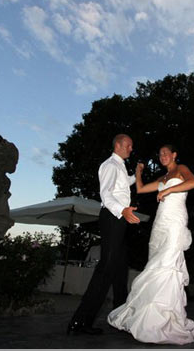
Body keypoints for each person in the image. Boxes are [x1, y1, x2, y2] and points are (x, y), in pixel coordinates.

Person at [107, 144, 194, 345]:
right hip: (160, 223)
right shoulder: (162, 178)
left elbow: (193, 183)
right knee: (154, 265)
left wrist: (169, 191)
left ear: (174, 154)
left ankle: (166, 317)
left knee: (167, 264)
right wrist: (138, 172)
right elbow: (141, 189)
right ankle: (150, 316)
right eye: (160, 154)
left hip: (175, 221)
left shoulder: (181, 169)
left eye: (166, 153)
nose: (163, 156)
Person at [67, 134, 142, 335]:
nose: (131, 148)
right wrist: (122, 210)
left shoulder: (119, 167)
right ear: (118, 145)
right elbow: (106, 194)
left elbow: (123, 184)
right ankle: (79, 322)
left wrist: (137, 174)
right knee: (106, 269)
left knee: (120, 270)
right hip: (112, 217)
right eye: (129, 145)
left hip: (119, 218)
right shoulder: (110, 165)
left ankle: (120, 318)